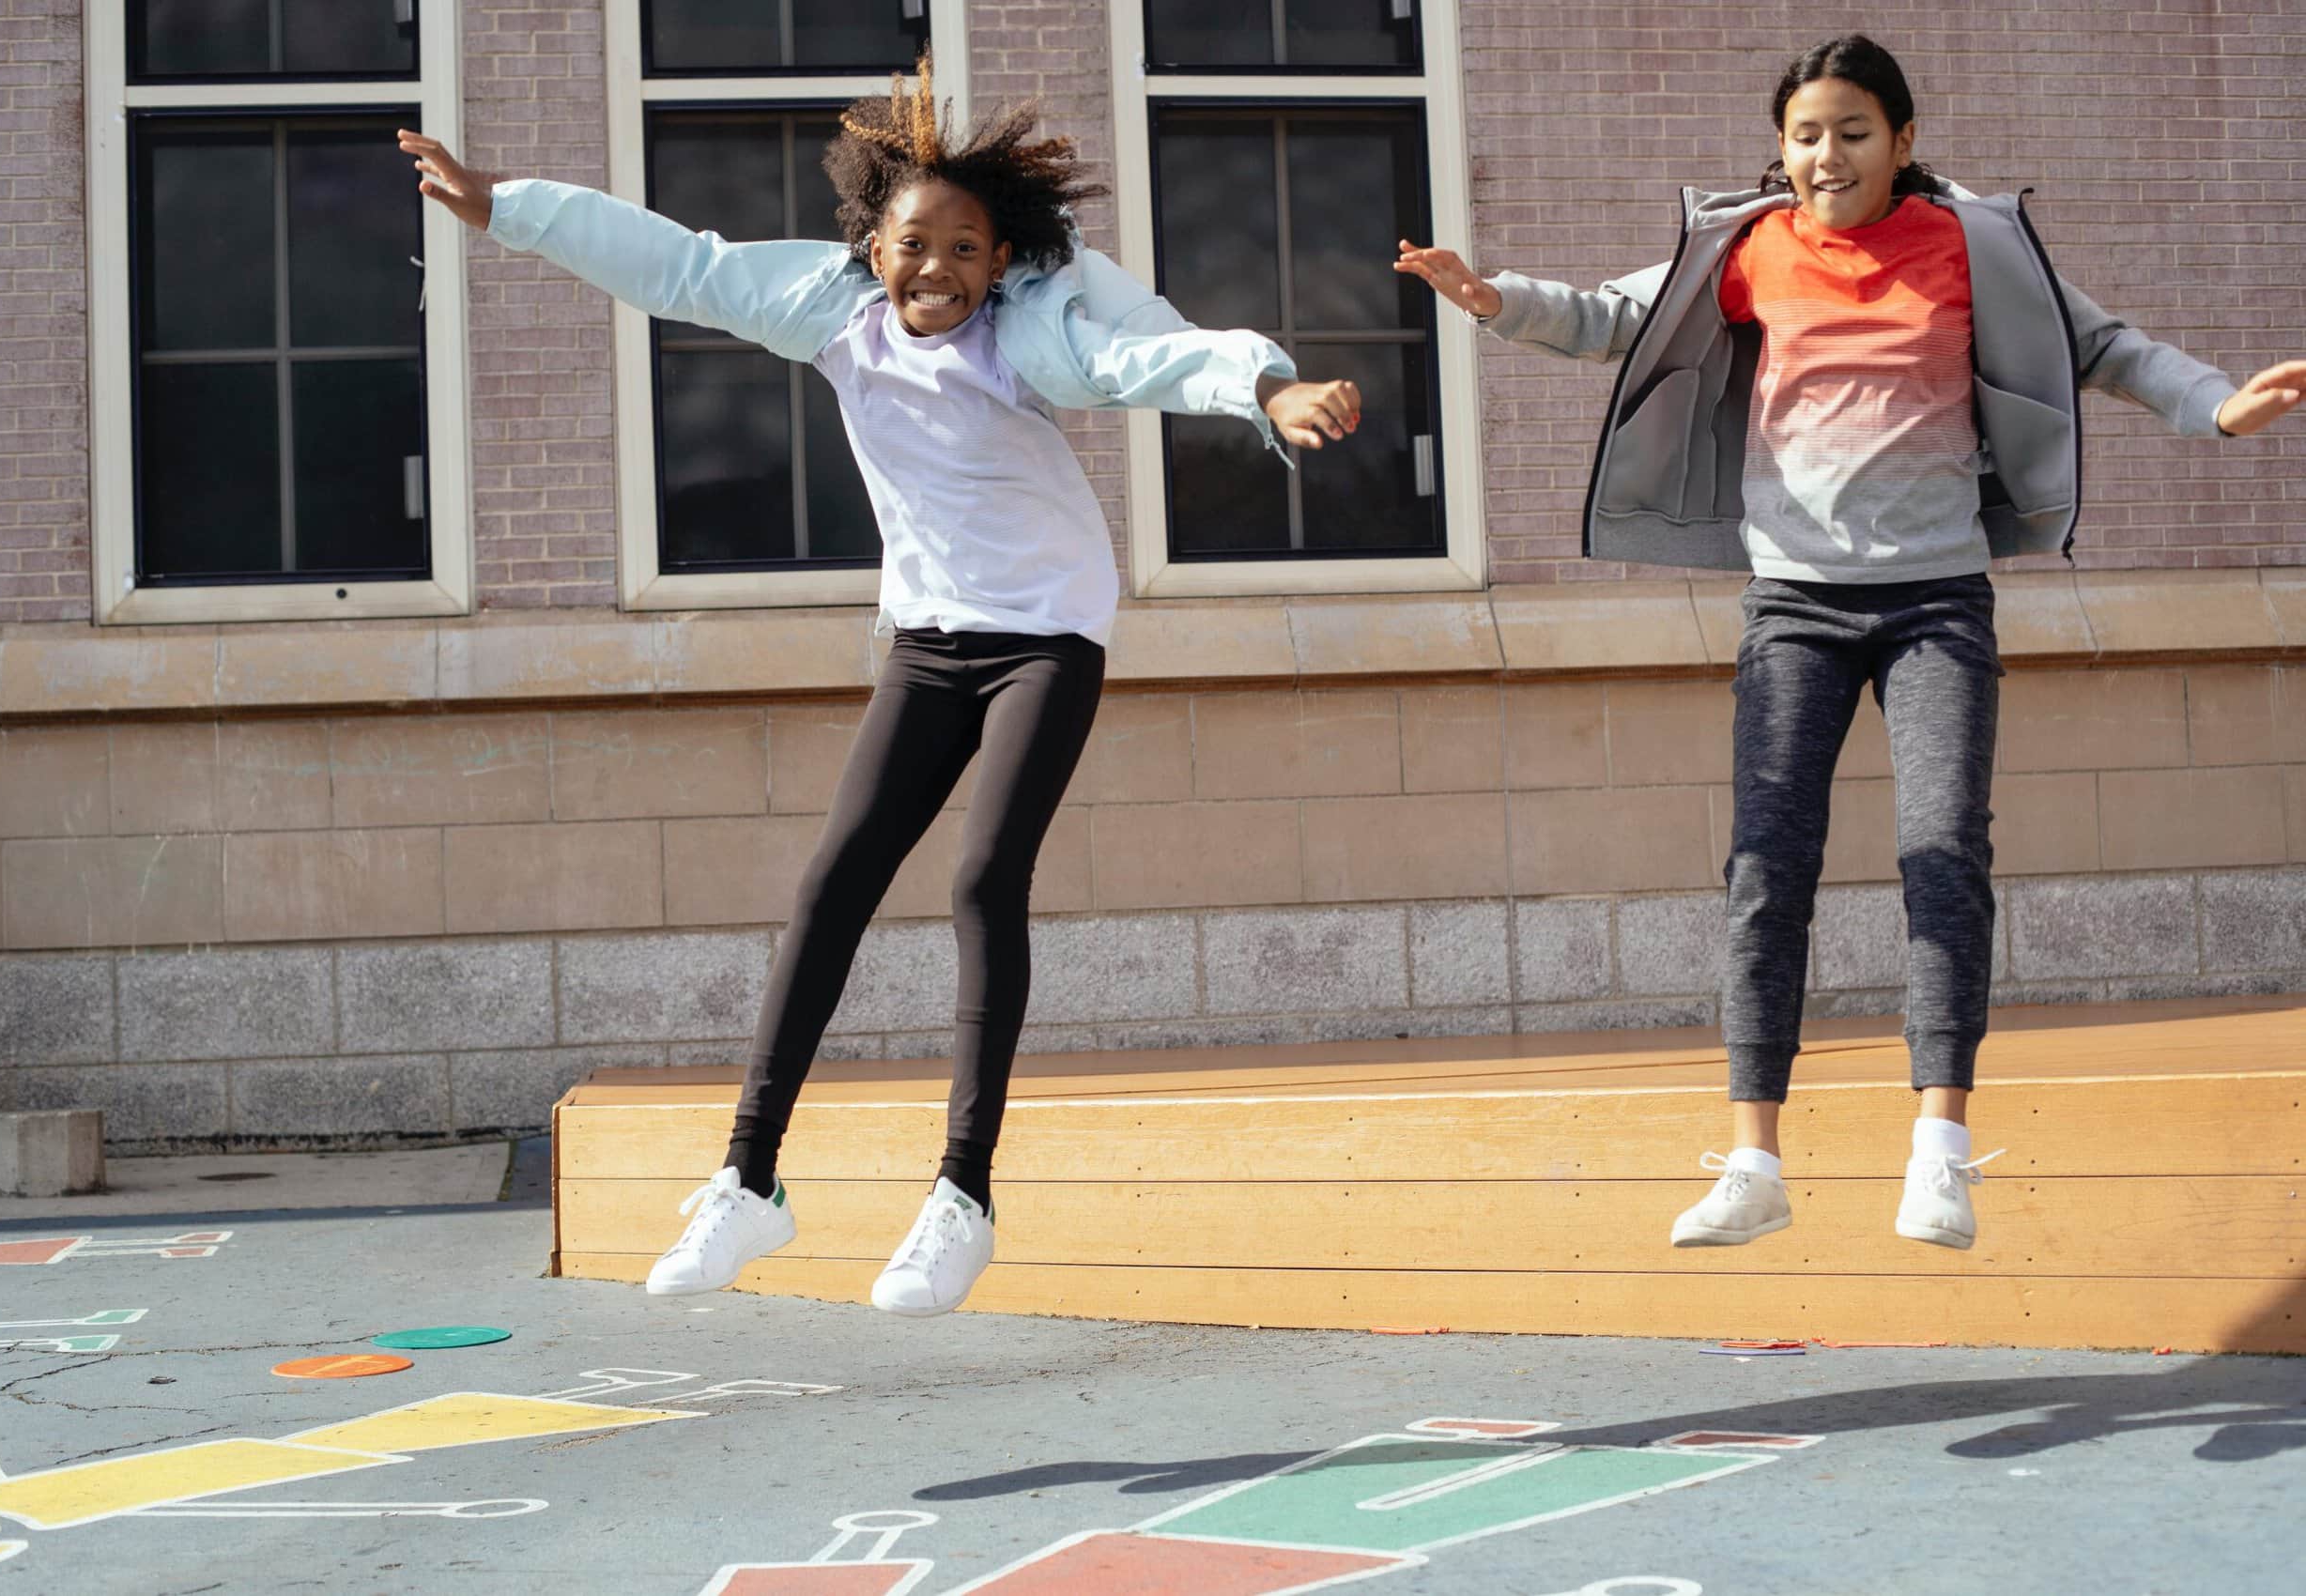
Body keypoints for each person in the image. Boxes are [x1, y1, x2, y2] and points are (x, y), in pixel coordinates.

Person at [404, 57, 1361, 1316]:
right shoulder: (827, 306)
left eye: (967, 251)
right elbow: (679, 266)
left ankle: (959, 1197)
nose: (938, 273)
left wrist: (1266, 389)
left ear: (1000, 261)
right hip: (925, 640)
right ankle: (747, 1182)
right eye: (917, 245)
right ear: (871, 244)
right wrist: (509, 209)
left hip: (1045, 639)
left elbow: (1151, 360)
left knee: (979, 879)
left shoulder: (1033, 336)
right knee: (831, 884)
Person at [1395, 34, 2303, 1252]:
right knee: (1765, 869)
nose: (1828, 155)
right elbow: (1618, 315)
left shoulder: (1975, 244)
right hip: (1793, 606)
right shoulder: (1750, 247)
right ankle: (1754, 1161)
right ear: (1780, 151)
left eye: (1853, 132)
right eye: (1806, 135)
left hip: (1936, 600)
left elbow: (2106, 346)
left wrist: (2215, 402)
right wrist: (1492, 297)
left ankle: (1937, 1149)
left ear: (1902, 141)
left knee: (1940, 851)